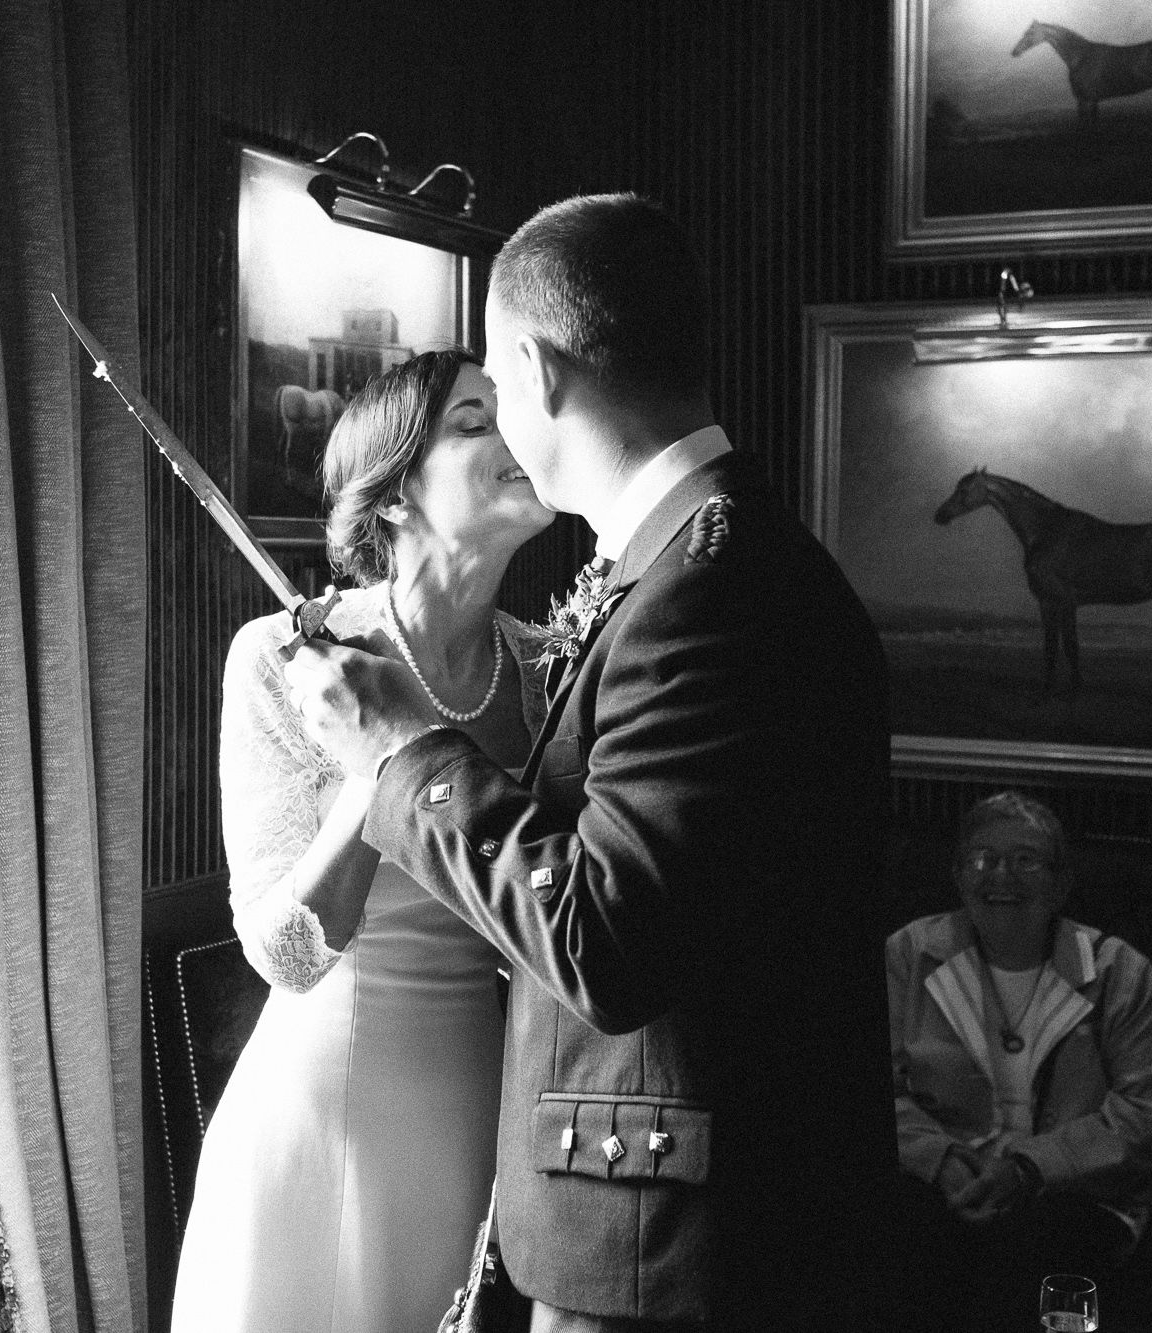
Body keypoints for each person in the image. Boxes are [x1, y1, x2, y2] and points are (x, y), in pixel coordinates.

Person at [283, 193, 896, 1330]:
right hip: (676, 1215)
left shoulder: (700, 592)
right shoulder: (712, 558)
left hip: (670, 1252)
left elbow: (608, 938)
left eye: (494, 391)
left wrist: (400, 754)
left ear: (533, 367)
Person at [171, 349, 555, 1333]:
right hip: (328, 1104)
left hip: (489, 1109)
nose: (515, 436)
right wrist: (371, 762)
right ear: (392, 500)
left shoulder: (546, 673)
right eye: (475, 424)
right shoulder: (281, 657)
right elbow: (284, 955)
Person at [888, 790, 1152, 1333]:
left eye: (1026, 860)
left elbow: (1148, 1111)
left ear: (1062, 882)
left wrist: (1029, 1167)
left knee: (1027, 1254)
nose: (1001, 876)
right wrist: (941, 1158)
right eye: (982, 859)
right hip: (943, 1182)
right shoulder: (910, 952)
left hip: (1073, 1194)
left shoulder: (1118, 969)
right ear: (957, 875)